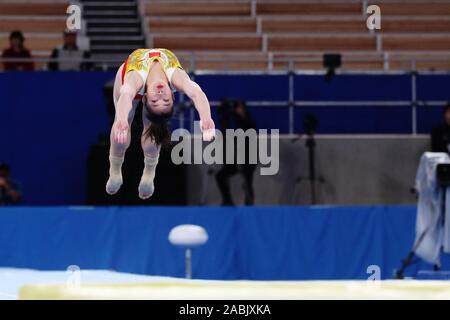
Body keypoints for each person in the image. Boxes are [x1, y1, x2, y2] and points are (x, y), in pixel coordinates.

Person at [106, 48, 215, 199]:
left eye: (154, 101)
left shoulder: (136, 78)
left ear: (145, 99)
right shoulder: (176, 78)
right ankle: (116, 168)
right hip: (134, 83)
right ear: (173, 95)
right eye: (166, 100)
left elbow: (126, 93)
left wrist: (122, 119)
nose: (160, 95)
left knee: (125, 122)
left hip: (126, 76)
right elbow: (196, 93)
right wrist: (206, 117)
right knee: (122, 124)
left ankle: (149, 171)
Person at [216, 100, 257, 206]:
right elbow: (226, 131)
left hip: (248, 158)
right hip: (233, 157)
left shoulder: (248, 122)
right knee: (220, 176)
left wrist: (239, 117)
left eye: (240, 108)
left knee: (247, 182)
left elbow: (246, 132)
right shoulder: (232, 120)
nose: (238, 110)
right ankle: (227, 201)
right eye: (236, 108)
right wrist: (226, 115)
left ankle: (249, 205)